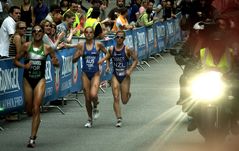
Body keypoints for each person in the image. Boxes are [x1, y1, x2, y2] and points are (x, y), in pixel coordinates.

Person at [14, 25, 59, 148]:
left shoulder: (47, 48)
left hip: (40, 80)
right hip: (27, 80)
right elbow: (16, 60)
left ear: (43, 33)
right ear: (32, 33)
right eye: (34, 31)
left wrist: (56, 63)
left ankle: (32, 138)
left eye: (40, 31)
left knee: (36, 107)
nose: (37, 33)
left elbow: (56, 62)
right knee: (29, 109)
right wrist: (24, 66)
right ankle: (36, 118)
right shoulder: (26, 46)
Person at [98, 30, 138, 127]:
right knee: (116, 97)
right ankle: (119, 118)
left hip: (125, 77)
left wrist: (130, 70)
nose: (119, 39)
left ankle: (128, 94)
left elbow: (136, 60)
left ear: (124, 39)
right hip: (115, 75)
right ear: (115, 38)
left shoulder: (127, 49)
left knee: (124, 101)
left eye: (121, 37)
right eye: (117, 37)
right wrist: (107, 66)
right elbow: (108, 57)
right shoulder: (111, 49)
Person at [73, 26, 109, 128]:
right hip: (85, 74)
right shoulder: (81, 45)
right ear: (84, 34)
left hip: (95, 73)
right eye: (87, 32)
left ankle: (96, 106)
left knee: (93, 95)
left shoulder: (98, 44)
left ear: (93, 34)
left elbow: (108, 54)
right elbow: (73, 60)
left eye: (90, 32)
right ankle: (89, 119)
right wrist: (78, 55)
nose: (88, 34)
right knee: (87, 98)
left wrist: (105, 63)